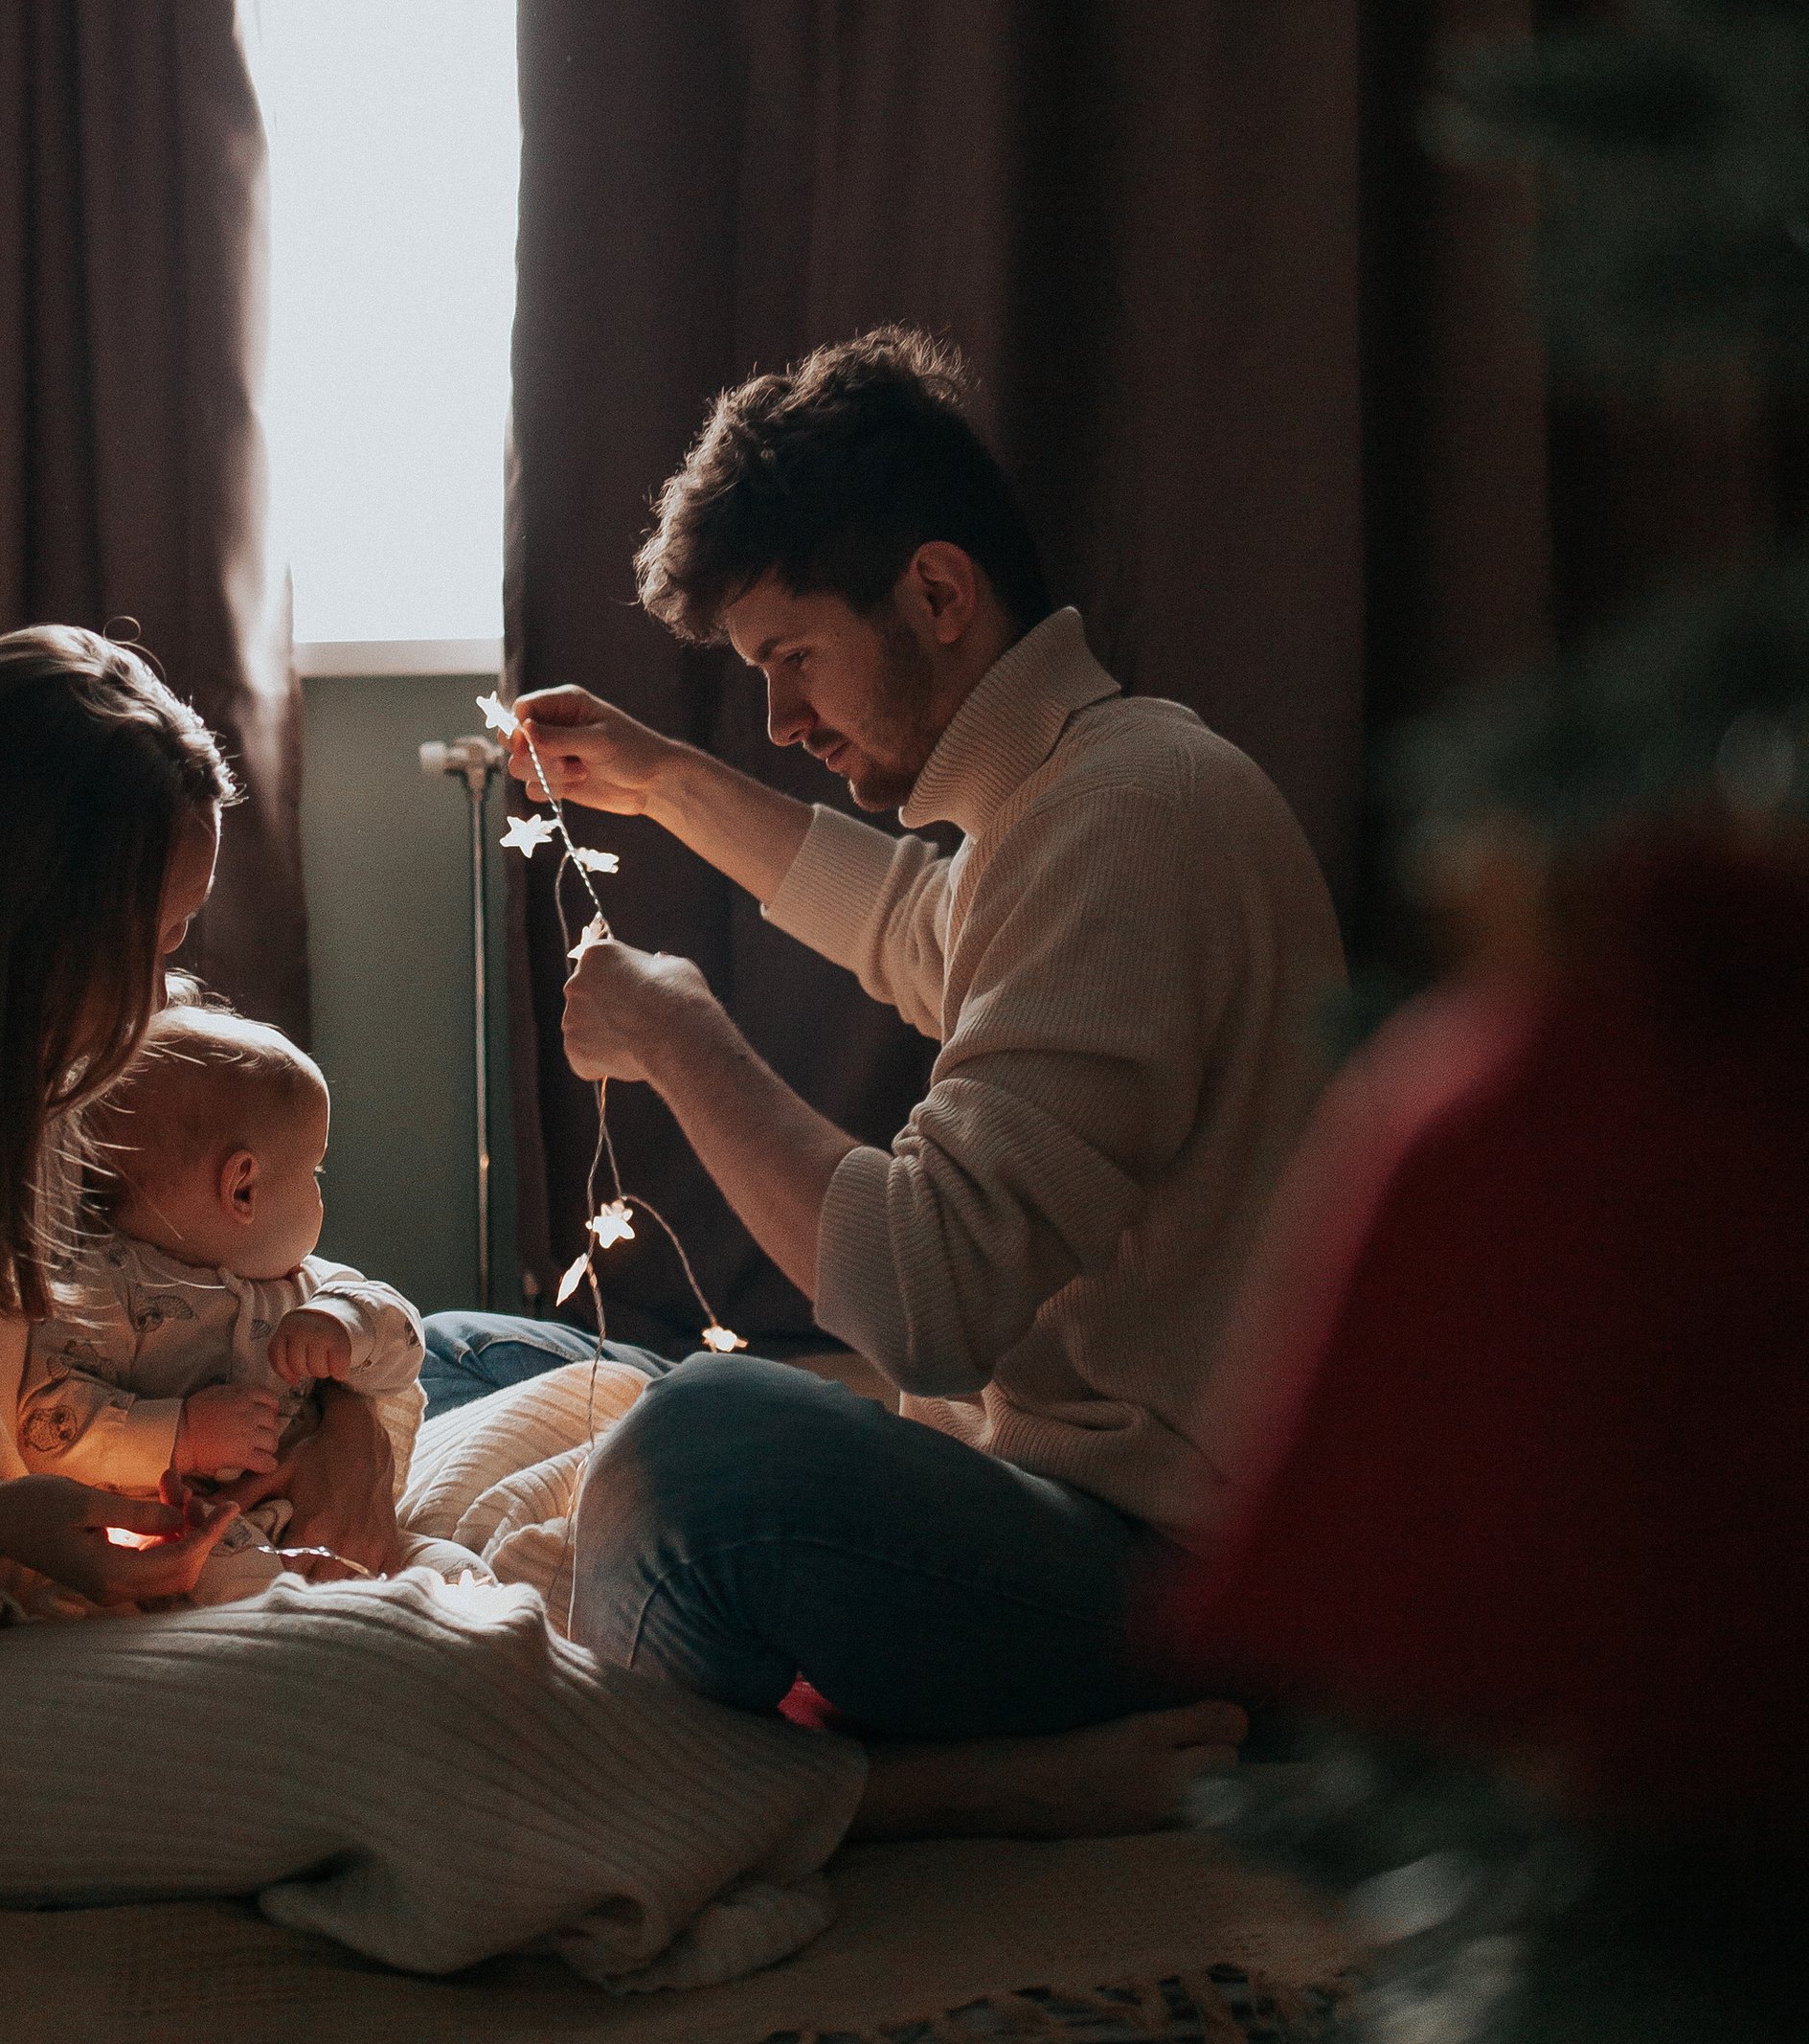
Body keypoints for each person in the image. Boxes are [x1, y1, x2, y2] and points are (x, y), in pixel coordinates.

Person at [0, 625, 1234, 1996]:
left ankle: (661, 1699)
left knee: (560, 1393)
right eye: (145, 947)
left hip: (26, 1571)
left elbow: (154, 1320)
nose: (155, 1001)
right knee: (407, 1674)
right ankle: (927, 1798)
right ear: (19, 912)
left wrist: (319, 1417)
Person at [435, 329, 1345, 1757]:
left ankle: (919, 1790)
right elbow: (907, 921)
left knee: (692, 1460)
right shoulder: (1068, 795)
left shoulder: (1126, 821)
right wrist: (663, 781)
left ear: (935, 593)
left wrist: (680, 1038)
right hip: (1021, 1484)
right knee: (464, 1355)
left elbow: (926, 1303)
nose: (781, 720)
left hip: (1167, 1566)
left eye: (792, 659)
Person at [21, 1003, 428, 1583]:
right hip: (204, 1538)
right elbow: (46, 1425)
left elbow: (406, 1343)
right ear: (243, 1189)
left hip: (336, 1524)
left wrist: (351, 1323)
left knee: (456, 1573)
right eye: (314, 1173)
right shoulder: (101, 1293)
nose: (319, 1196)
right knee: (230, 1576)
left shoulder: (311, 1288)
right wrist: (181, 1435)